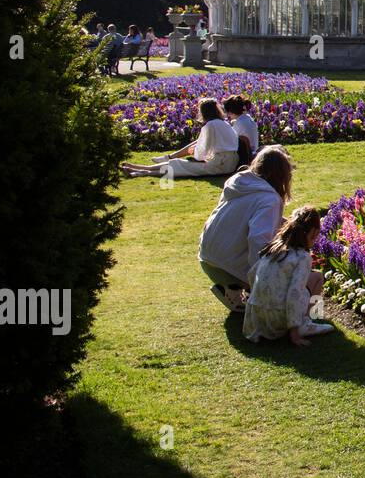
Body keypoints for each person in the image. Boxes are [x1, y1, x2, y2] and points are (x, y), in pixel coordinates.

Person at [197, 146, 294, 311]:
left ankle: (232, 289)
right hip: (228, 267)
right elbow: (258, 238)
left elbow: (242, 217)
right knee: (285, 270)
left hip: (206, 257)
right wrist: (261, 278)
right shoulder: (269, 199)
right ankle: (240, 289)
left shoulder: (239, 183)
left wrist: (287, 223)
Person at [243, 205, 333, 345]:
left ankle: (308, 318)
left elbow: (251, 274)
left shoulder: (273, 248)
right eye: (314, 237)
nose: (314, 241)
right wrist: (295, 334)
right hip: (280, 320)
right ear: (311, 233)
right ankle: (308, 321)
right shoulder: (302, 257)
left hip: (257, 319)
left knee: (315, 276)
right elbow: (294, 292)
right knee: (318, 278)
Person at [120, 98, 240, 179]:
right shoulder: (223, 123)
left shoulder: (211, 125)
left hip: (220, 164)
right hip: (228, 162)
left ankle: (141, 172)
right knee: (178, 163)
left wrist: (196, 155)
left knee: (179, 165)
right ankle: (140, 169)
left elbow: (202, 151)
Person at [224, 94, 259, 167]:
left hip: (246, 156)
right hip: (254, 151)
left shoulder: (240, 123)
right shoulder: (248, 118)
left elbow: (231, 141)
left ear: (230, 111)